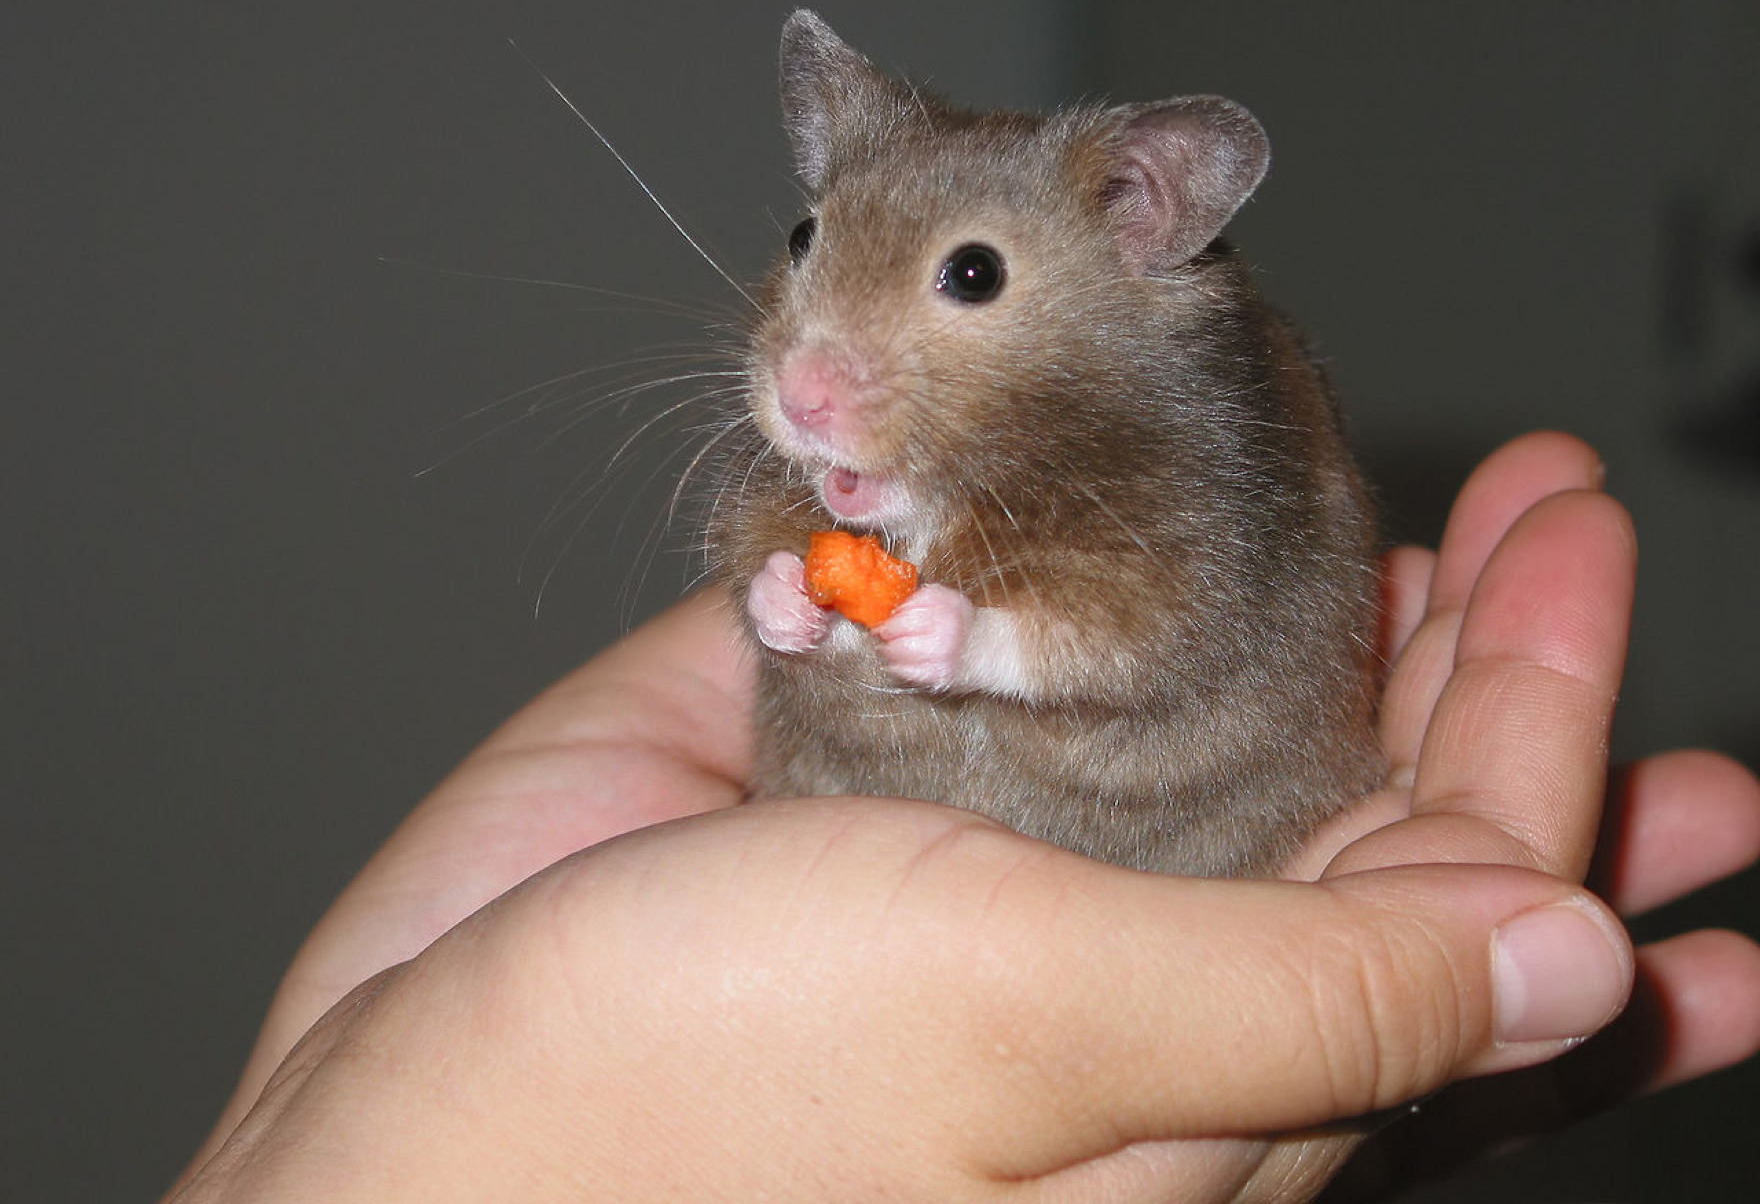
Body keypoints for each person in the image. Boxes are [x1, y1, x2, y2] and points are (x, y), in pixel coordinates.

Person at [165, 433, 1760, 1202]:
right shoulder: (830, 447)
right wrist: (784, 591)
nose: (812, 372)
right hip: (845, 810)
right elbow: (762, 526)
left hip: (1197, 835)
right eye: (809, 257)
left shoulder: (1188, 467)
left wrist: (996, 639)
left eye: (969, 283)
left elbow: (1172, 620)